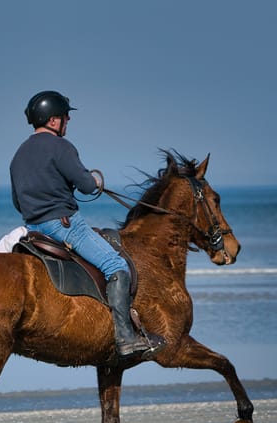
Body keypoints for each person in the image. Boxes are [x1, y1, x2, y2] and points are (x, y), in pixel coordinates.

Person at [10, 90, 164, 362]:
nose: (68, 120)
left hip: (33, 227)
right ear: (53, 120)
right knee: (116, 266)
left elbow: (17, 201)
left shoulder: (19, 154)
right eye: (65, 116)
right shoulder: (60, 147)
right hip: (63, 225)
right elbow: (86, 185)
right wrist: (95, 181)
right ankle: (126, 338)